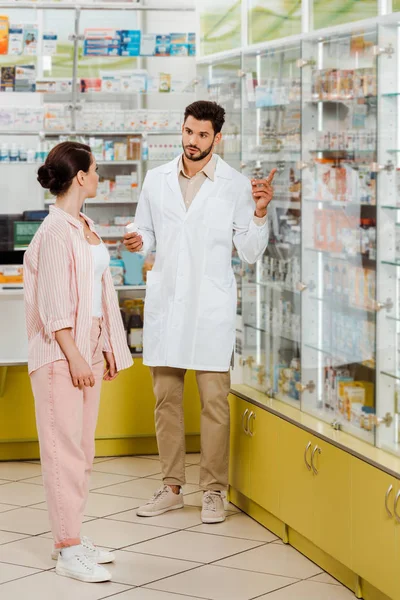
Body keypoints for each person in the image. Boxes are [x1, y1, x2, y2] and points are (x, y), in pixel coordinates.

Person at [123, 101, 275, 524]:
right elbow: (145, 231)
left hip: (210, 309)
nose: (193, 141)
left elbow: (248, 252)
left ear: (217, 137)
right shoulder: (156, 180)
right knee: (166, 399)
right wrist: (139, 242)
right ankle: (171, 487)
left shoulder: (236, 185)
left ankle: (213, 491)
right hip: (168, 305)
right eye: (188, 132)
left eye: (202, 135)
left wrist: (260, 213)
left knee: (214, 403)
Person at [24, 141, 132, 583]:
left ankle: (72, 534)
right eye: (95, 168)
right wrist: (74, 357)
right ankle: (67, 549)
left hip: (86, 351)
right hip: (59, 357)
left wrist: (106, 346)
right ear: (81, 177)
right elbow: (53, 309)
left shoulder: (84, 225)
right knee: (61, 450)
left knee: (82, 451)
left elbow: (99, 293)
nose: (100, 174)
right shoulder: (51, 234)